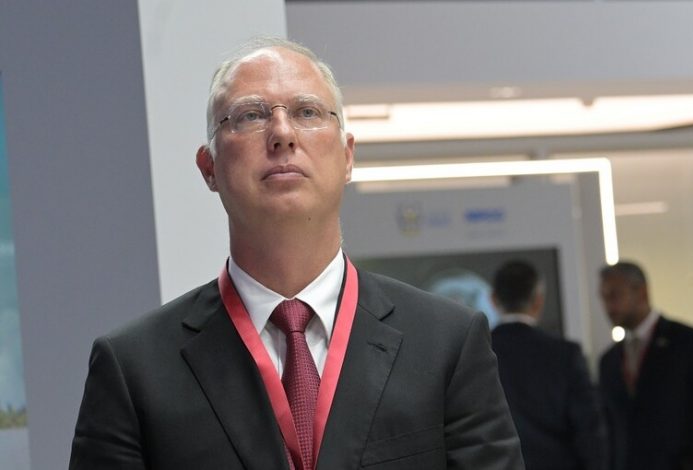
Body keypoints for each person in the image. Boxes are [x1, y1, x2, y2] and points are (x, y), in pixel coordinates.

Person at [68, 37, 523, 470]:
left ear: (347, 157)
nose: (282, 133)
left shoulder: (446, 344)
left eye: (307, 112)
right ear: (209, 168)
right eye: (250, 115)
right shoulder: (135, 370)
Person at [597, 261, 693, 470]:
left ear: (641, 292)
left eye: (615, 295)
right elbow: (611, 433)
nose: (608, 306)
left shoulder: (689, 343)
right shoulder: (609, 362)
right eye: (603, 297)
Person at [490, 260, 608, 470]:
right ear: (538, 300)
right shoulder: (566, 355)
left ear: (493, 299)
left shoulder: (477, 353)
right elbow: (589, 430)